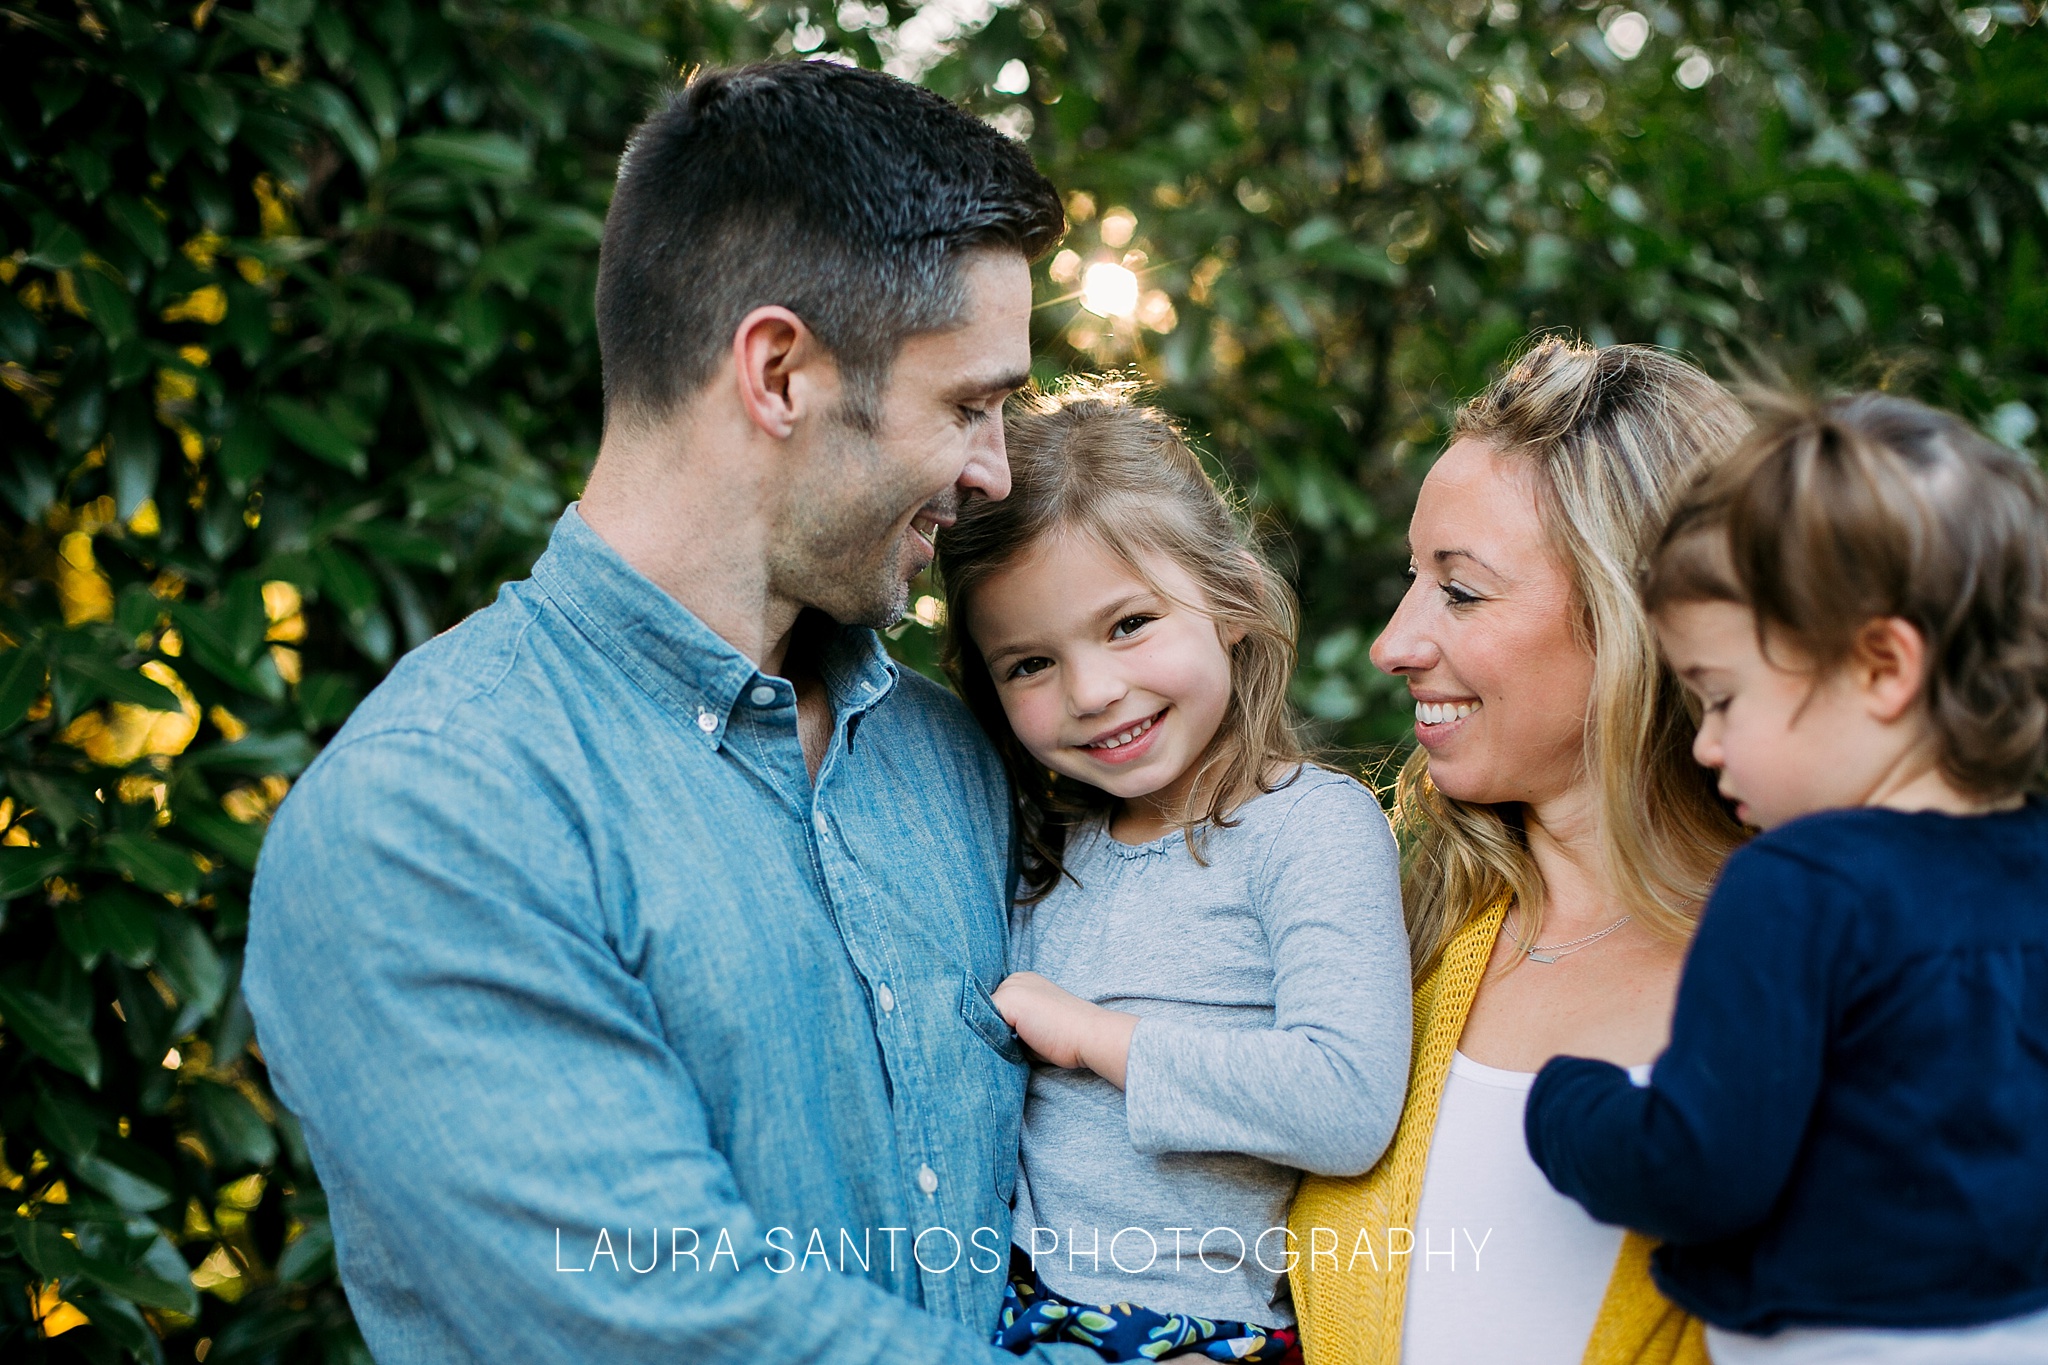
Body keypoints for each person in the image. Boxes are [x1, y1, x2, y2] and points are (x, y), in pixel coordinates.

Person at [242, 61, 1102, 1364]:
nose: (993, 472)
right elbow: (671, 1328)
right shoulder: (429, 815)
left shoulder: (955, 758)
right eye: (969, 406)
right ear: (779, 373)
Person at [1525, 392, 2048, 1363]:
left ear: (1882, 666)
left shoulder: (1793, 885)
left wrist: (1567, 1105)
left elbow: (1697, 1171)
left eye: (1720, 698)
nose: (1708, 746)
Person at [1289, 338, 1751, 1365]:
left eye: (1458, 591)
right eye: (1412, 580)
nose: (1393, 643)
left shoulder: (1834, 964)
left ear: (1633, 614)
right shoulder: (1392, 937)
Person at [934, 382, 1412, 1363]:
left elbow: (1345, 1101)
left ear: (1229, 599)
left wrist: (1092, 1039)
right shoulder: (1048, 845)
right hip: (1015, 1313)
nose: (1093, 691)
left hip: (1191, 1333)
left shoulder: (1309, 827)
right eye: (1028, 664)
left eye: (1127, 624)